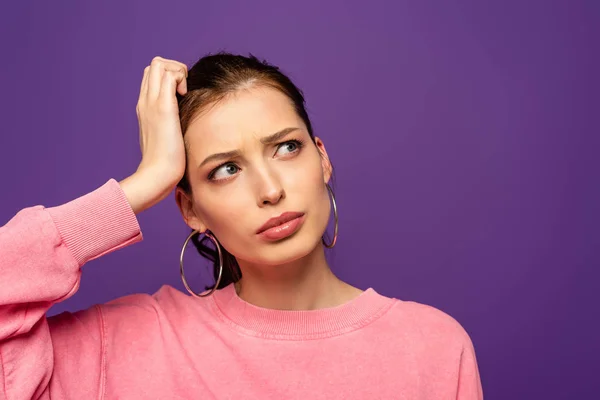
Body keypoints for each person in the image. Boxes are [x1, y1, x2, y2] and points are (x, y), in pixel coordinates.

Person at [0, 53, 483, 399]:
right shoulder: (117, 346)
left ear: (323, 158)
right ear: (189, 208)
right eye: (226, 169)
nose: (270, 189)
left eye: (287, 148)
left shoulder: (433, 347)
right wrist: (145, 182)